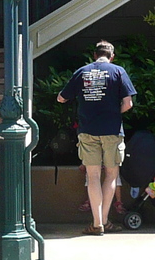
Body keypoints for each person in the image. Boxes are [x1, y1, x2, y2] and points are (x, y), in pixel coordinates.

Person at [57, 40, 137, 236]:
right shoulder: (118, 71)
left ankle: (96, 223)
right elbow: (128, 103)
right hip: (112, 131)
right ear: (112, 56)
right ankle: (105, 220)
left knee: (92, 176)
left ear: (94, 55)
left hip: (87, 130)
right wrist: (113, 112)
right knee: (111, 175)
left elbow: (61, 98)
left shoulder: (82, 71)